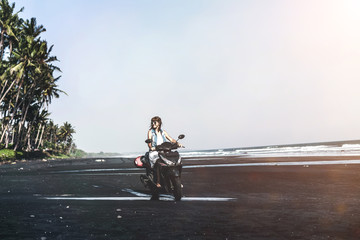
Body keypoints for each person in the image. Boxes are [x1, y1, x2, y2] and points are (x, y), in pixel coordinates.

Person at [147, 116, 180, 188]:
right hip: (155, 151)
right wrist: (151, 147)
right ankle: (158, 181)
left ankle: (178, 180)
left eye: (155, 122)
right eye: (152, 122)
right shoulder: (150, 132)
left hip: (164, 151)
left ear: (159, 123)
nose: (153, 123)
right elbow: (149, 141)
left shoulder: (163, 132)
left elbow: (171, 139)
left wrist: (178, 143)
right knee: (159, 162)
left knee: (175, 161)